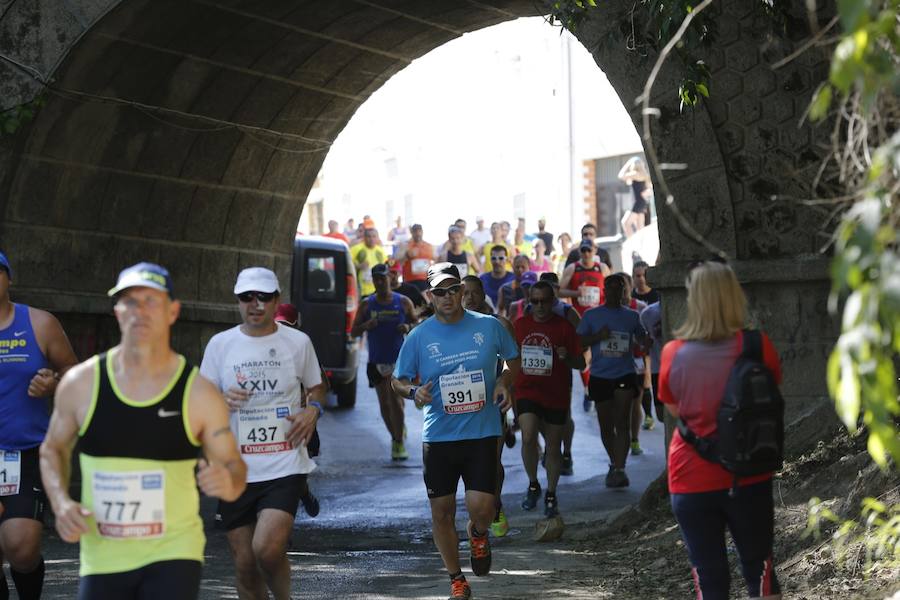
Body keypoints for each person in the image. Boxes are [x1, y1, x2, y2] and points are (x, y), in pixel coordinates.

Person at [39, 262, 247, 600]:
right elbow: (52, 449)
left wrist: (228, 482)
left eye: (151, 301)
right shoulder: (82, 383)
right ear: (117, 311)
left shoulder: (198, 392)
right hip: (103, 555)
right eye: (130, 302)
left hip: (174, 550)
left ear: (173, 311)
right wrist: (61, 503)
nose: (140, 311)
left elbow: (234, 468)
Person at [392, 264, 519, 600]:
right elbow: (398, 379)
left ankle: (478, 534)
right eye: (439, 292)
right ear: (431, 296)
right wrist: (413, 392)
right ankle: (456, 579)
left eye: (452, 290)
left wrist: (505, 382)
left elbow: (511, 359)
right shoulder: (419, 336)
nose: (446, 297)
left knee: (483, 507)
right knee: (441, 511)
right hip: (439, 437)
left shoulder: (489, 327)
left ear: (462, 291)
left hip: (482, 431)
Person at [659, 261, 782, 600]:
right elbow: (768, 396)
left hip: (689, 477)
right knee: (760, 569)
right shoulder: (758, 346)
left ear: (693, 300)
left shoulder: (673, 353)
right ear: (734, 296)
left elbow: (675, 409)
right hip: (749, 473)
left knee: (708, 576)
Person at [200, 267, 324, 600]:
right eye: (246, 297)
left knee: (266, 550)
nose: (255, 304)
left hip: (285, 463)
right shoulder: (220, 345)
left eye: (264, 297)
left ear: (276, 300)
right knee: (244, 564)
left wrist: (313, 410)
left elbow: (316, 387)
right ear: (238, 301)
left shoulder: (297, 343)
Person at [0, 250, 78, 600]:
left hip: (25, 452)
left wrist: (53, 383)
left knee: (20, 546)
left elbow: (77, 378)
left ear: (9, 278)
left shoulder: (39, 323)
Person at [511, 282, 584, 518]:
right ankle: (533, 483)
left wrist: (566, 358)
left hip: (556, 393)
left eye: (544, 301)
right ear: (529, 301)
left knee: (554, 447)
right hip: (527, 391)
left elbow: (581, 363)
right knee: (529, 435)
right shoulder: (519, 326)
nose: (540, 306)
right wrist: (506, 380)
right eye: (535, 301)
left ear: (553, 301)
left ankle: (551, 493)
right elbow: (506, 359)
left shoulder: (564, 327)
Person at [577, 274, 649, 488]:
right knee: (606, 425)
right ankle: (613, 461)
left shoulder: (632, 316)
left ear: (624, 291)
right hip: (599, 375)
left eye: (620, 288)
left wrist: (647, 341)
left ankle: (620, 468)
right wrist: (598, 337)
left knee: (622, 422)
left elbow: (642, 340)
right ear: (604, 291)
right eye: (611, 288)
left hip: (624, 373)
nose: (615, 292)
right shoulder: (591, 316)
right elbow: (579, 341)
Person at [459, 275, 515, 539]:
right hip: (462, 403)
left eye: (474, 292)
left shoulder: (498, 324)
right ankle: (482, 506)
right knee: (468, 461)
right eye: (464, 293)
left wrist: (504, 383)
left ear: (483, 294)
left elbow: (512, 361)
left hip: (492, 402)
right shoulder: (452, 327)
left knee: (492, 460)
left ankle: (495, 505)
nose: (469, 297)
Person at [351, 264, 417, 460]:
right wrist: (365, 325)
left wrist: (408, 326)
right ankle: (396, 434)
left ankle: (398, 442)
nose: (380, 282)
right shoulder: (366, 304)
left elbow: (417, 325)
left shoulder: (403, 302)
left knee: (397, 401)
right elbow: (353, 332)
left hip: (399, 360)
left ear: (390, 277)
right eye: (376, 279)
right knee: (386, 404)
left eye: (383, 278)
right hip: (377, 361)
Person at [273, 304, 323, 518]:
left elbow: (321, 386)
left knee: (294, 477)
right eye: (278, 324)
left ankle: (302, 495)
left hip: (299, 424)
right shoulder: (258, 348)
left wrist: (311, 405)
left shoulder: (302, 349)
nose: (282, 330)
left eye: (287, 325)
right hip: (268, 425)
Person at [561, 241, 611, 412]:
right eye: (583, 250)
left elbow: (611, 288)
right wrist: (576, 293)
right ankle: (588, 390)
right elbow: (559, 291)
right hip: (581, 319)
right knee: (584, 355)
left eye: (589, 250)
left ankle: (597, 389)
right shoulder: (573, 268)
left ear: (595, 251)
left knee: (600, 355)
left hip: (600, 318)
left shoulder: (601, 268)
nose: (586, 253)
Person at [617, 157, 653, 237]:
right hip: (642, 202)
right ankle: (641, 246)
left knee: (625, 223)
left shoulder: (635, 174)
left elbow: (620, 175)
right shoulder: (644, 175)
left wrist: (627, 163)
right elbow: (650, 188)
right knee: (640, 229)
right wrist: (646, 193)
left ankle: (631, 243)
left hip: (638, 203)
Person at [351, 228, 388, 297]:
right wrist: (358, 266)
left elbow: (386, 267)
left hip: (378, 289)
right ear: (364, 237)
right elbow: (347, 264)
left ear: (377, 238)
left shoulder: (381, 251)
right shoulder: (356, 249)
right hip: (362, 290)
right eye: (369, 236)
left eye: (374, 236)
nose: (371, 239)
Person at [399, 224, 434, 292]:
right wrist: (406, 256)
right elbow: (398, 262)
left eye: (419, 231)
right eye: (415, 231)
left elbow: (436, 260)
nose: (418, 233)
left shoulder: (429, 246)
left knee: (426, 301)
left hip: (425, 280)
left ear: (422, 232)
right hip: (410, 281)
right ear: (411, 232)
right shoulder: (406, 246)